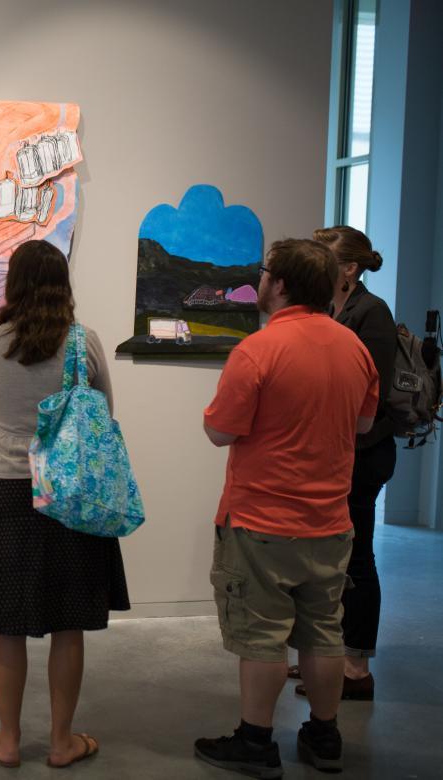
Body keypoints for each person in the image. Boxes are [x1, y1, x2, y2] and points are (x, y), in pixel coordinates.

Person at [194, 238, 379, 778]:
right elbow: (365, 424)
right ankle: (325, 736)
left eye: (265, 272)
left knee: (261, 636)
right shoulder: (353, 348)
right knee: (325, 632)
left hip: (261, 523)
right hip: (331, 521)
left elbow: (218, 430)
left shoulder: (258, 350)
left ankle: (255, 743)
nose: (262, 279)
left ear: (279, 283)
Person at [0, 239, 129, 769]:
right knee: (67, 623)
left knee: (7, 625)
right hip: (72, 493)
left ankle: (7, 739)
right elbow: (105, 415)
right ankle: (61, 741)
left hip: (8, 488)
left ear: (14, 283)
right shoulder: (84, 344)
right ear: (62, 283)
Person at [286, 226, 397, 701]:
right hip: (340, 454)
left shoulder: (371, 314)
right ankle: (325, 657)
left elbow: (365, 396)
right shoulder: (336, 310)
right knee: (329, 561)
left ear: (349, 270)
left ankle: (354, 666)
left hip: (364, 456)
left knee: (358, 557)